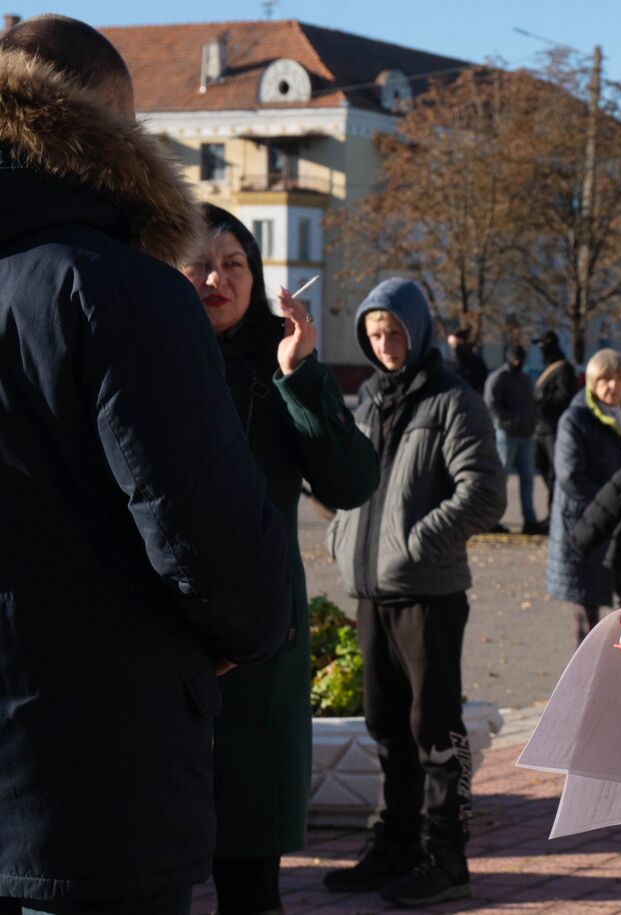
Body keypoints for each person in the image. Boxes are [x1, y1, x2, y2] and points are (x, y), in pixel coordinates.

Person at [0, 16, 292, 913]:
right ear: (115, 129)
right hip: (91, 784)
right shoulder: (120, 289)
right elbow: (203, 526)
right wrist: (247, 632)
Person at [179, 204, 380, 914]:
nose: (216, 277)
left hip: (261, 644)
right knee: (149, 857)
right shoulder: (142, 355)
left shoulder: (277, 362)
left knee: (248, 869)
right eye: (200, 262)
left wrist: (303, 376)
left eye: (234, 264)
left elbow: (352, 482)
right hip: (160, 635)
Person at [323, 278, 506, 908]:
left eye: (395, 332)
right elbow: (351, 484)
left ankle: (445, 855)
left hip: (428, 593)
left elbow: (484, 492)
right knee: (386, 726)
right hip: (373, 592)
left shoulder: (454, 401)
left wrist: (420, 541)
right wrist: (345, 534)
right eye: (375, 335)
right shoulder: (370, 399)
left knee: (434, 728)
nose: (385, 345)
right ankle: (394, 844)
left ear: (418, 330)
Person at [546, 349, 621, 642]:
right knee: (587, 618)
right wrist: (615, 502)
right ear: (591, 382)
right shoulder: (575, 419)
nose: (613, 386)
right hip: (584, 526)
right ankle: (585, 684)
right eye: (605, 379)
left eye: (619, 378)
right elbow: (571, 477)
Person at [484, 344, 544, 534]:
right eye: (514, 359)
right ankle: (492, 520)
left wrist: (532, 420)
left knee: (528, 480)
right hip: (507, 435)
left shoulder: (524, 378)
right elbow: (491, 405)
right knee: (501, 478)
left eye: (520, 359)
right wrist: (509, 421)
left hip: (526, 435)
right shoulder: (499, 378)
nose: (518, 362)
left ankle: (530, 519)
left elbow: (532, 403)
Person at [533, 329, 581, 514]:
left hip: (555, 428)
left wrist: (543, 401)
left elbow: (565, 396)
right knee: (543, 468)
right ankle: (552, 511)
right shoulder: (549, 368)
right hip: (543, 428)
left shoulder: (563, 368)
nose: (540, 349)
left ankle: (555, 512)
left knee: (556, 473)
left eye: (543, 345)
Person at [446, 327, 488, 393]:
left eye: (457, 343)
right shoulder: (448, 365)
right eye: (451, 344)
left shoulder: (477, 363)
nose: (454, 347)